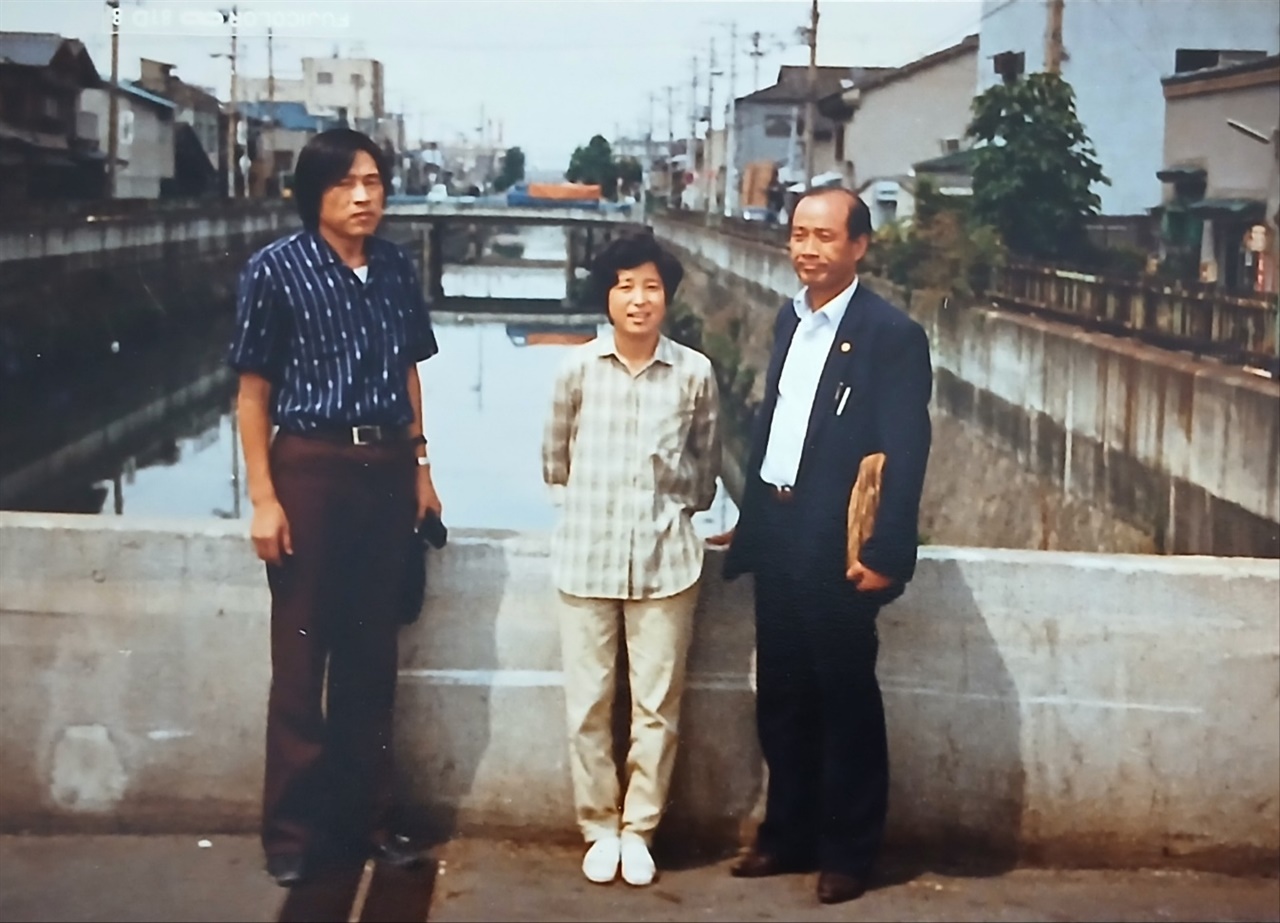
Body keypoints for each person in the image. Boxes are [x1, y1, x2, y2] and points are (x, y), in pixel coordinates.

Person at [227, 128, 441, 887]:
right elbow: (252, 394)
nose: (364, 196)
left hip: (384, 468)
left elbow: (411, 372)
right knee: (300, 660)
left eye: (375, 182)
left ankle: (371, 823)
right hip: (309, 469)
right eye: (348, 183)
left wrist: (420, 466)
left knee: (370, 660)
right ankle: (290, 831)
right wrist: (263, 497)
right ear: (314, 193)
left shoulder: (394, 268)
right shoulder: (274, 271)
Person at [717, 187, 932, 905]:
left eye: (825, 237)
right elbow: (773, 427)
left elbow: (906, 448)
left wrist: (886, 551)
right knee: (781, 693)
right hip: (778, 528)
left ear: (859, 246)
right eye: (799, 235)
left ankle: (849, 851)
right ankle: (787, 832)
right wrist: (749, 523)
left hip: (834, 538)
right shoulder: (790, 318)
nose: (808, 249)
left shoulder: (888, 334)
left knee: (843, 696)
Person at [542, 232, 721, 887]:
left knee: (656, 707)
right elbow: (554, 461)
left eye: (650, 286)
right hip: (585, 558)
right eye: (624, 285)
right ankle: (598, 826)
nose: (638, 299)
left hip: (666, 561)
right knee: (589, 703)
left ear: (668, 296)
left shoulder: (696, 373)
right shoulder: (575, 371)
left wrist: (671, 514)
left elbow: (706, 469)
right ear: (607, 296)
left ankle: (640, 828)